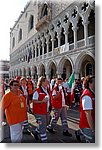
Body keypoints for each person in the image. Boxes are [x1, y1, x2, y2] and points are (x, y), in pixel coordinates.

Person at [75, 75, 95, 143]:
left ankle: (80, 133)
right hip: (87, 125)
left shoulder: (92, 93)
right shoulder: (87, 96)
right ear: (90, 83)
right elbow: (88, 114)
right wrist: (93, 128)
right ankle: (80, 133)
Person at [32, 76, 51, 143]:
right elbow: (34, 101)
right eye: (46, 81)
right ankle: (44, 141)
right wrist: (42, 101)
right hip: (39, 111)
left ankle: (36, 131)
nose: (47, 82)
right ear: (42, 82)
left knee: (46, 124)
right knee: (43, 126)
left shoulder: (47, 89)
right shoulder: (37, 91)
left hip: (46, 110)